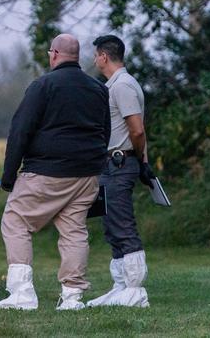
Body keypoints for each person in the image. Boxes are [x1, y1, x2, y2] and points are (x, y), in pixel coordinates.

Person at [0, 34, 110, 311]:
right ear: (77, 56)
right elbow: (106, 130)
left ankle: (21, 293)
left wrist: (8, 176)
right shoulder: (98, 89)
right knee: (74, 230)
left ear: (53, 54)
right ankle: (72, 297)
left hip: (47, 171)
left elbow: (21, 130)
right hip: (87, 173)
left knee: (16, 221)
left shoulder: (43, 85)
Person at [87, 34, 152, 308]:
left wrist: (142, 162)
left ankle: (135, 290)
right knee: (111, 225)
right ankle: (121, 286)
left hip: (120, 163)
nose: (94, 60)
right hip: (111, 165)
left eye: (95, 55)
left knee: (123, 225)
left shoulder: (122, 86)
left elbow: (136, 129)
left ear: (103, 56)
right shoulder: (113, 85)